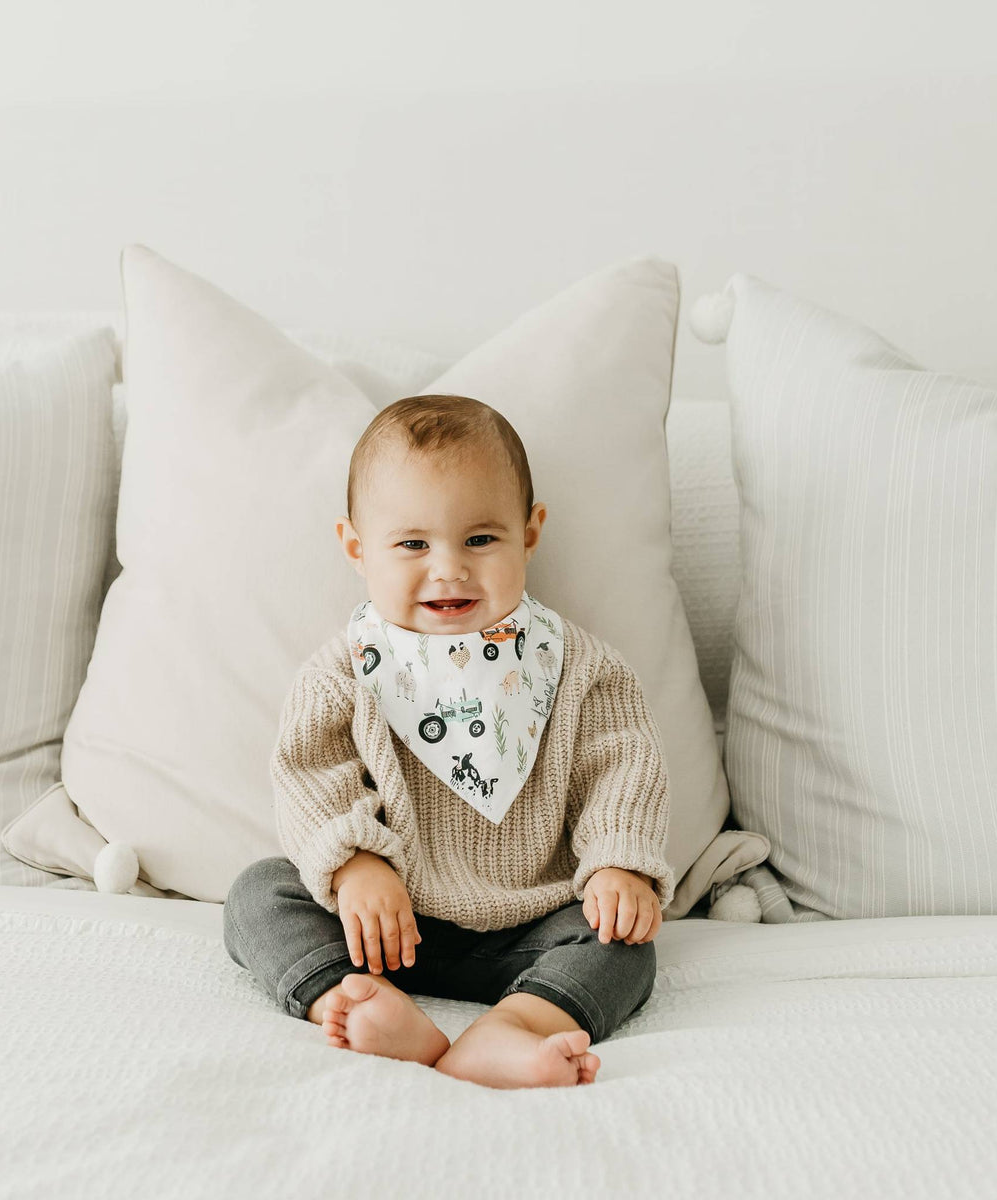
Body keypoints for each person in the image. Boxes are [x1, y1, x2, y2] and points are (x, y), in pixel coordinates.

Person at [223, 393, 675, 1089]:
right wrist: (352, 866)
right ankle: (360, 1003)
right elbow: (311, 776)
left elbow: (623, 767)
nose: (448, 568)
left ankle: (515, 1026)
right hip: (383, 926)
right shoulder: (344, 672)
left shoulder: (581, 668)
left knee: (624, 944)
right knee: (260, 894)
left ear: (529, 533)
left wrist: (620, 866)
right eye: (412, 544)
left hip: (528, 926)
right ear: (355, 547)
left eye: (480, 539)